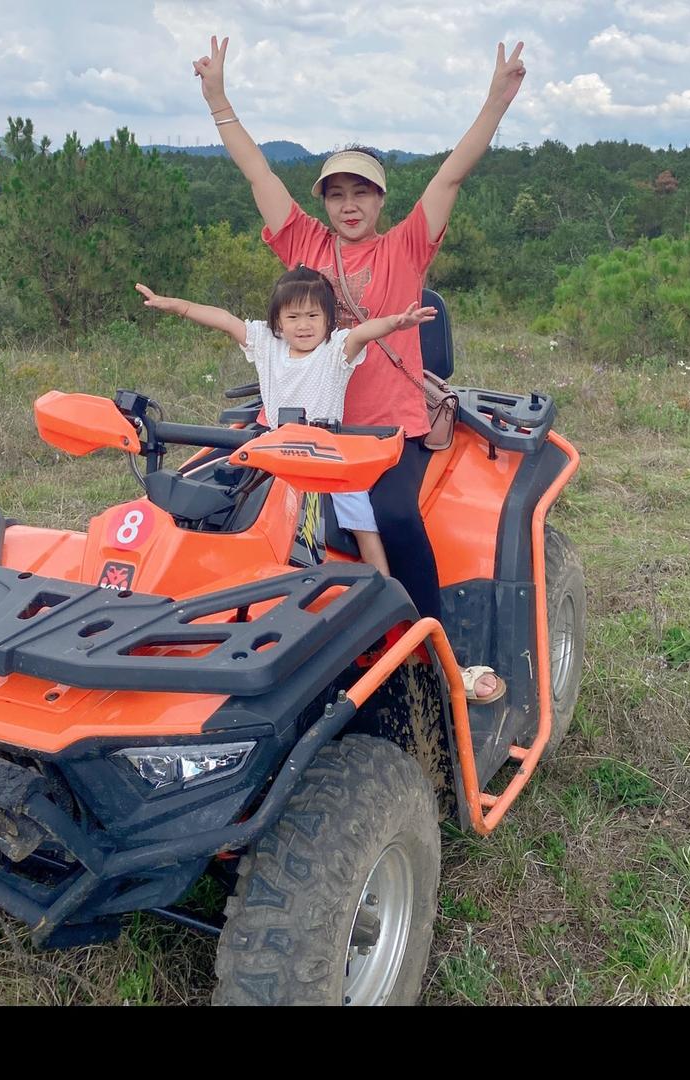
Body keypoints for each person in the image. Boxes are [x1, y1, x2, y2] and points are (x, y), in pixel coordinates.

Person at [191, 35, 526, 703]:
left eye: (362, 193)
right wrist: (218, 101)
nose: (349, 204)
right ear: (323, 200)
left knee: (394, 515)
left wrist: (496, 101)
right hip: (314, 423)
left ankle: (443, 657)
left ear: (379, 200)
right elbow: (259, 175)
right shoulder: (306, 243)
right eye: (337, 192)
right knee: (233, 509)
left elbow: (451, 175)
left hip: (385, 426)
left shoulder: (406, 245)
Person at [135, 268, 436, 576]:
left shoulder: (336, 350)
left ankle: (383, 589)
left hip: (327, 457)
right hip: (276, 455)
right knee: (237, 507)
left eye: (312, 316)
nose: (303, 326)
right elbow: (225, 320)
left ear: (328, 320)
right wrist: (178, 306)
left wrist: (397, 322)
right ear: (277, 321)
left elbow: (364, 332)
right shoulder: (267, 344)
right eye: (293, 318)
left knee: (362, 524)